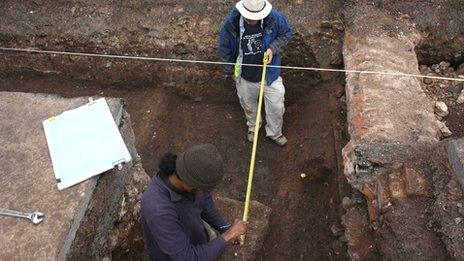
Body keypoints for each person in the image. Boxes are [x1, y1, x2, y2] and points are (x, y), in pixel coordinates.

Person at [141, 144, 247, 261]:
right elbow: (187, 257)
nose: (205, 192)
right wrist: (227, 236)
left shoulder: (189, 172)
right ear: (189, 183)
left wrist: (224, 227)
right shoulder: (158, 210)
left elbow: (204, 201)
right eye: (203, 189)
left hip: (195, 237)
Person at [219, 0, 293, 146]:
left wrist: (273, 48)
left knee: (276, 106)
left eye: (255, 17)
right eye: (248, 17)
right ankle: (254, 127)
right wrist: (229, 71)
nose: (251, 20)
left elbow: (287, 33)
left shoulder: (274, 17)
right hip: (245, 74)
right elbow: (224, 47)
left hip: (270, 73)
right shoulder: (231, 24)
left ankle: (274, 133)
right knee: (248, 104)